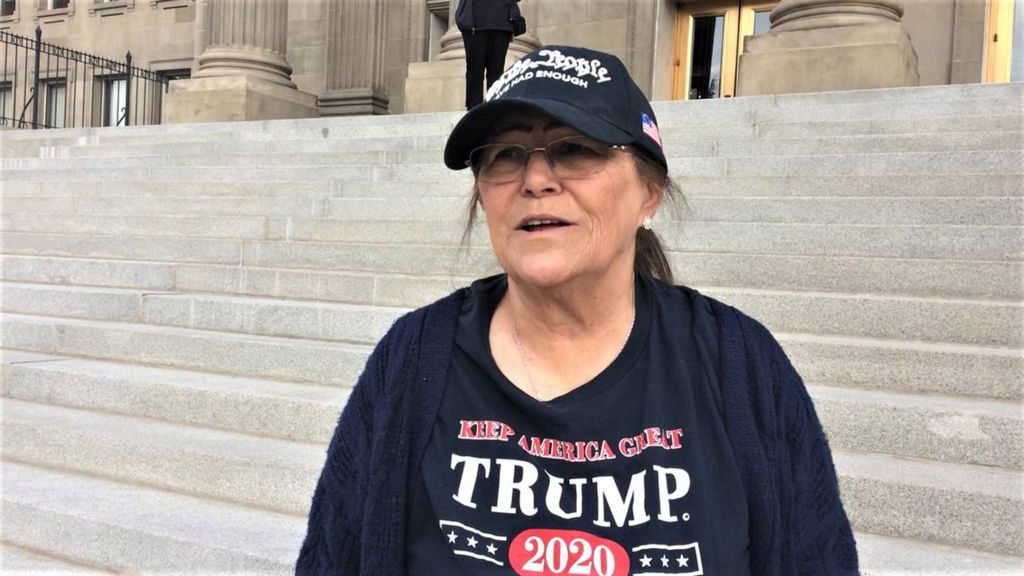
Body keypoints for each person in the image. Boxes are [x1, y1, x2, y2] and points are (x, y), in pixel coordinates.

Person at [296, 45, 858, 575]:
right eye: (506, 155)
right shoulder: (413, 357)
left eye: (576, 148)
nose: (536, 180)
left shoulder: (739, 364)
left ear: (649, 191)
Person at [455, 0, 520, 109]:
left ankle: (494, 109)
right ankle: (474, 111)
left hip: (501, 20)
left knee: (496, 71)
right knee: (475, 70)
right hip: (475, 22)